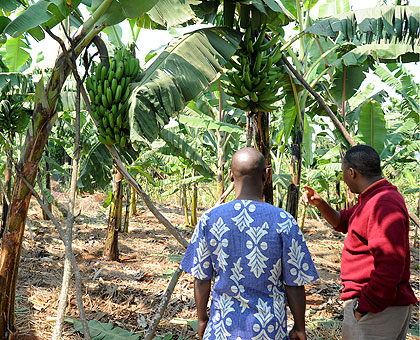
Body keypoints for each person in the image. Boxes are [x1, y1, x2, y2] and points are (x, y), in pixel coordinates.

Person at [181, 147, 318, 340]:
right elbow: (294, 283)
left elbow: (202, 279)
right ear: (267, 176)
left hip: (222, 329)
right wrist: (299, 327)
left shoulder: (209, 219)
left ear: (230, 175)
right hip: (270, 330)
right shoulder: (283, 221)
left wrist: (202, 318)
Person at [302, 145, 417, 340]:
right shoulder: (372, 198)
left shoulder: (383, 203)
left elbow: (390, 264)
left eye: (344, 173)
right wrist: (320, 203)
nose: (344, 180)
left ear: (351, 172)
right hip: (377, 308)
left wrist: (364, 307)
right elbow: (343, 221)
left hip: (377, 311)